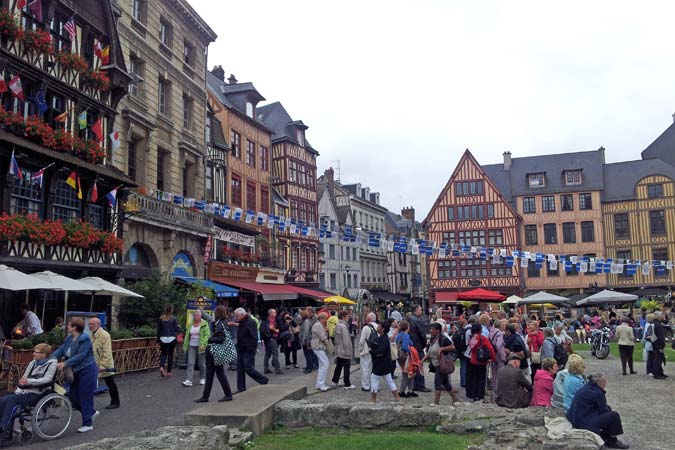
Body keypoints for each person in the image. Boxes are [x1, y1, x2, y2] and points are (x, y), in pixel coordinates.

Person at [0, 343, 57, 444]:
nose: (33, 354)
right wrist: (18, 391)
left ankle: (4, 431)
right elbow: (24, 379)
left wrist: (29, 381)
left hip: (39, 393)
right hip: (27, 391)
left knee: (12, 400)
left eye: (36, 352)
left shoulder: (52, 363)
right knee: (4, 399)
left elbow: (47, 379)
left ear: (44, 354)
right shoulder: (33, 363)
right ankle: (3, 428)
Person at [51, 318, 98, 433]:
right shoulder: (69, 338)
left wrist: (65, 363)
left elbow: (81, 355)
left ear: (75, 327)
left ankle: (88, 423)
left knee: (85, 396)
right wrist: (50, 359)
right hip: (74, 371)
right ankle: (91, 412)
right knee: (72, 396)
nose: (67, 326)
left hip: (86, 369)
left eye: (69, 325)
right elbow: (62, 350)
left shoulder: (84, 338)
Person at [566, 373, 629, 449]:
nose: (606, 384)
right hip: (583, 423)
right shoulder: (597, 393)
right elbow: (603, 410)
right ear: (600, 382)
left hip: (575, 418)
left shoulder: (586, 387)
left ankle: (606, 436)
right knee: (614, 415)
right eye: (605, 382)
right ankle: (613, 440)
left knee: (608, 410)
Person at [195, 305, 233, 403]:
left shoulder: (218, 323)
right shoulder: (223, 322)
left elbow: (220, 338)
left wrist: (209, 339)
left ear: (217, 313)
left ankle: (207, 396)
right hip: (216, 352)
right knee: (217, 374)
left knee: (212, 374)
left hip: (214, 351)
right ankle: (225, 394)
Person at [423, 322, 459, 406]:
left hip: (441, 364)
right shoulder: (432, 338)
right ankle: (455, 399)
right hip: (436, 364)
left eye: (432, 329)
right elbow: (429, 352)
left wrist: (442, 348)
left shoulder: (443, 339)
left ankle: (436, 403)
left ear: (438, 330)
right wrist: (422, 360)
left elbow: (452, 347)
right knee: (446, 383)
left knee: (437, 383)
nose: (430, 330)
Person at [234, 308, 268, 393]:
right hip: (241, 348)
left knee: (248, 367)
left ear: (242, 314)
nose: (235, 317)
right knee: (240, 369)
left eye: (236, 316)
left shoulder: (250, 322)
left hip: (248, 349)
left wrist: (251, 348)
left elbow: (254, 337)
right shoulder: (241, 322)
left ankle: (263, 379)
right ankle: (241, 388)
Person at [89, 318, 119, 409]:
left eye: (92, 324)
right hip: (95, 363)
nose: (90, 326)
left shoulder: (105, 335)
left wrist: (103, 365)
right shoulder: (93, 335)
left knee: (110, 382)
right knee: (88, 383)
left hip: (104, 365)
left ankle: (115, 402)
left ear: (98, 325)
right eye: (89, 324)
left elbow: (107, 352)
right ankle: (81, 402)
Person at [369, 319, 401, 402]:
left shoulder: (383, 338)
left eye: (379, 326)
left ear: (382, 329)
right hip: (385, 364)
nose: (378, 327)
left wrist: (372, 352)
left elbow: (381, 351)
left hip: (380, 364)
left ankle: (373, 398)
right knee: (389, 381)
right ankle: (397, 398)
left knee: (374, 379)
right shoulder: (384, 338)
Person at [466, 322, 495, 402]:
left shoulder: (471, 338)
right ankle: (480, 396)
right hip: (481, 361)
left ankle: (473, 395)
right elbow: (490, 348)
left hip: (473, 359)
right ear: (480, 330)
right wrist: (492, 358)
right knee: (481, 379)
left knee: (474, 378)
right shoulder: (482, 338)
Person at [182, 309, 210, 387]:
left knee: (202, 364)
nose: (195, 317)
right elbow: (187, 335)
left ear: (200, 316)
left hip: (201, 346)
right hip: (191, 345)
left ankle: (202, 378)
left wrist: (203, 344)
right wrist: (185, 345)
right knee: (190, 363)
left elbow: (207, 335)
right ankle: (189, 380)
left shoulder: (204, 324)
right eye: (194, 315)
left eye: (197, 315)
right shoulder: (190, 324)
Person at [409, 306, 431, 392]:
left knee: (414, 365)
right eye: (421, 310)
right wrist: (424, 344)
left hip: (412, 345)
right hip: (418, 345)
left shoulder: (409, 319)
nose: (421, 311)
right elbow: (422, 334)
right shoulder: (418, 320)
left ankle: (415, 384)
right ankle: (420, 385)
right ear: (417, 310)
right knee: (419, 365)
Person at [331, 310, 355, 389]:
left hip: (339, 349)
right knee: (346, 367)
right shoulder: (344, 326)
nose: (348, 318)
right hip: (344, 350)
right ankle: (347, 384)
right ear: (343, 317)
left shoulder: (338, 325)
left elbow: (335, 337)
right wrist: (348, 351)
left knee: (339, 366)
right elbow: (346, 340)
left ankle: (335, 381)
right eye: (347, 316)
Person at [395, 320, 419, 398]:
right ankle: (402, 391)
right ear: (407, 327)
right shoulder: (406, 336)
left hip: (399, 356)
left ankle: (410, 390)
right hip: (406, 357)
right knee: (408, 374)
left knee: (408, 373)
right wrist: (410, 351)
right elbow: (405, 346)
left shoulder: (399, 335)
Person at [157, 304, 182, 377]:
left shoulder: (161, 318)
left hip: (163, 338)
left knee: (163, 354)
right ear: (171, 310)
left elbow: (159, 329)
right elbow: (177, 328)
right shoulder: (173, 318)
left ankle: (161, 367)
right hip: (171, 338)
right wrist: (182, 330)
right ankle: (169, 372)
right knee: (170, 354)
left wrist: (158, 339)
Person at [358, 312, 378, 392]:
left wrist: (360, 349)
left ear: (369, 319)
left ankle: (366, 386)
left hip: (366, 350)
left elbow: (362, 341)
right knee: (374, 369)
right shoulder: (378, 327)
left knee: (365, 368)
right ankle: (375, 385)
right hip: (375, 351)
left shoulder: (366, 328)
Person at [311, 312, 330, 391]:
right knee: (325, 364)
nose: (326, 321)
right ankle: (321, 384)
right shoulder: (318, 325)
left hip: (318, 346)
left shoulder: (318, 325)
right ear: (321, 319)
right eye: (325, 319)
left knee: (322, 364)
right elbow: (322, 337)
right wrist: (329, 345)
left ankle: (319, 384)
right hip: (318, 346)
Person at [261, 309, 282, 375]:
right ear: (270, 313)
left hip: (268, 339)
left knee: (268, 353)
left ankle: (266, 368)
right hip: (271, 338)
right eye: (274, 312)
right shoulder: (269, 321)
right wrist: (275, 331)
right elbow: (270, 329)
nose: (275, 313)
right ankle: (277, 369)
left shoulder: (268, 320)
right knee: (275, 353)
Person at [488, 319, 506, 392]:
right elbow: (499, 345)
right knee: (501, 372)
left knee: (494, 372)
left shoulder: (490, 332)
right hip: (498, 355)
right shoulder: (499, 333)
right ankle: (500, 388)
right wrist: (503, 356)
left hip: (493, 354)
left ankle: (495, 387)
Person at [651, 311, 667, 379]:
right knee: (658, 359)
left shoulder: (654, 324)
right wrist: (662, 345)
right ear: (659, 316)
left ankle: (660, 372)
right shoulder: (658, 325)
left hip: (655, 343)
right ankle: (657, 374)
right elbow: (660, 337)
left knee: (659, 359)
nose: (662, 317)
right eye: (661, 315)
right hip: (658, 344)